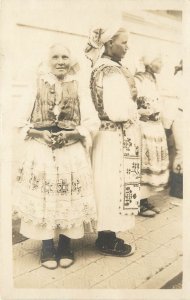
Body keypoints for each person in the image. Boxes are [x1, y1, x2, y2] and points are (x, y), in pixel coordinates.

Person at [13, 43, 100, 269]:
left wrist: (73, 134)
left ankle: (65, 244)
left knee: (69, 197)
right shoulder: (36, 83)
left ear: (70, 61)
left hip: (70, 150)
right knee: (44, 197)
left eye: (64, 57)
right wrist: (38, 133)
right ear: (48, 60)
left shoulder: (79, 86)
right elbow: (18, 120)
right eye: (55, 57)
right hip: (42, 149)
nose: (60, 61)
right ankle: (47, 246)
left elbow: (92, 121)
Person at [85, 26, 141, 256]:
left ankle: (107, 235)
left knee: (108, 185)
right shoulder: (110, 71)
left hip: (108, 136)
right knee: (111, 186)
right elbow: (118, 112)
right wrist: (135, 109)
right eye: (123, 43)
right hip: (112, 136)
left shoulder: (103, 67)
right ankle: (106, 239)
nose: (127, 47)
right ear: (109, 44)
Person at [134, 54, 169, 217]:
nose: (161, 63)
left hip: (155, 126)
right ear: (149, 61)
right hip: (145, 126)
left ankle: (144, 200)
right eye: (159, 59)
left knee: (152, 162)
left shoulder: (154, 79)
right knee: (144, 163)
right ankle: (139, 203)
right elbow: (138, 102)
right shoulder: (139, 79)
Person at [163, 60, 183, 198]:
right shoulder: (178, 79)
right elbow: (171, 103)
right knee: (182, 152)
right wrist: (167, 125)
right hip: (180, 117)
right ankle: (177, 188)